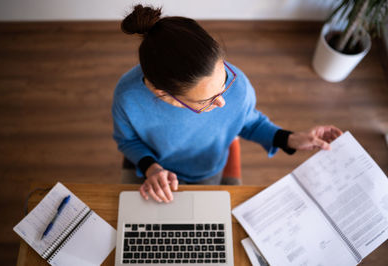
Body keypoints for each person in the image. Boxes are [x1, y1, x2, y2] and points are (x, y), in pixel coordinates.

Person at [112, 5, 342, 203]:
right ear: (164, 95)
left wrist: (291, 138)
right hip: (155, 168)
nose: (223, 102)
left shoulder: (238, 86)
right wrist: (152, 168)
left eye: (224, 82)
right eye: (206, 101)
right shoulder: (127, 97)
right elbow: (127, 140)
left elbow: (248, 123)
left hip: (207, 172)